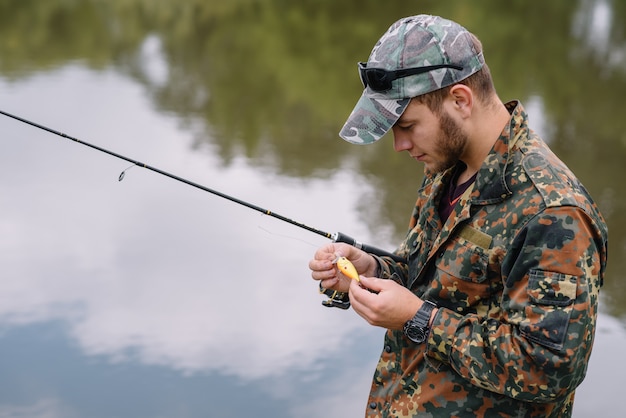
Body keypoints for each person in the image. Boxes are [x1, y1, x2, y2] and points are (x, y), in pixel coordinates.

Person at [308, 14, 608, 417]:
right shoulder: (446, 169)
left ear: (461, 101)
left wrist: (419, 320)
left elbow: (548, 368)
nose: (399, 144)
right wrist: (372, 271)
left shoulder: (554, 211)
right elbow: (426, 281)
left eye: (408, 125)